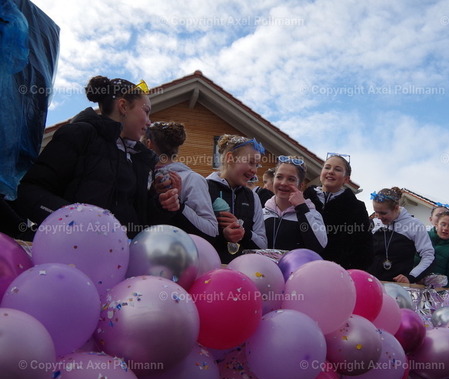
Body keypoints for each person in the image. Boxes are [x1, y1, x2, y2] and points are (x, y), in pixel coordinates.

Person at [13, 76, 180, 239]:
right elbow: (29, 192)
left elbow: (140, 223)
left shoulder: (141, 160)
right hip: (69, 250)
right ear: (123, 106)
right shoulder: (80, 135)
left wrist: (162, 205)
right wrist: (76, 222)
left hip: (123, 255)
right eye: (146, 111)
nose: (149, 122)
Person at [144, 121, 218, 241]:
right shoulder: (139, 176)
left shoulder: (192, 179)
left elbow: (211, 230)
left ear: (149, 144)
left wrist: (178, 205)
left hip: (177, 251)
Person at [304, 153, 373, 270]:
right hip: (303, 267)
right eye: (327, 167)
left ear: (346, 179)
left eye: (337, 169)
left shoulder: (356, 207)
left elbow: (364, 247)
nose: (331, 172)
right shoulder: (304, 199)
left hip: (338, 271)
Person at [206, 134, 268, 263]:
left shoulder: (252, 197)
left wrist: (243, 232)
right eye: (250, 162)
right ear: (230, 158)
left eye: (257, 165)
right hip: (208, 266)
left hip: (241, 269)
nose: (254, 170)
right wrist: (222, 234)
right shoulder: (204, 187)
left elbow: (263, 245)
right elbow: (193, 233)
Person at [368, 187, 434, 284]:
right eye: (376, 212)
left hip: (396, 286)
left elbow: (428, 256)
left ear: (396, 208)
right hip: (371, 281)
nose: (379, 217)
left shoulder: (415, 225)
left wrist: (411, 277)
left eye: (383, 213)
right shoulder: (374, 223)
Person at [263, 156, 327, 253]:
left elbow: (319, 246)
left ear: (301, 185)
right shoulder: (262, 212)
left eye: (291, 179)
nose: (283, 183)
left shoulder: (312, 214)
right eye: (279, 177)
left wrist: (301, 208)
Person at [424, 209, 449, 288]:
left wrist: (438, 281)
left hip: (432, 290)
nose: (446, 228)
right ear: (436, 225)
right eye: (443, 224)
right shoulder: (423, 237)